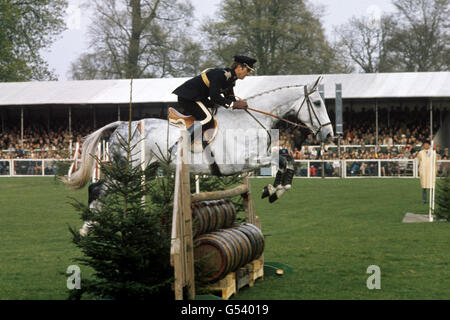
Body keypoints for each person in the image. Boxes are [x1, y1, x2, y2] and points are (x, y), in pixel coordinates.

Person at [172, 55, 257, 147]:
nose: (248, 74)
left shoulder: (231, 78)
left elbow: (229, 96)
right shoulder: (221, 75)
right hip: (188, 97)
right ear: (240, 67)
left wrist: (239, 104)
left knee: (215, 112)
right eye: (248, 70)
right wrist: (234, 104)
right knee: (206, 118)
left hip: (199, 97)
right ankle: (179, 145)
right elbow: (214, 97)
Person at [416, 140, 437, 204]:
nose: (426, 145)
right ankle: (424, 200)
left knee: (432, 185)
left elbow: (435, 162)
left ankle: (432, 199)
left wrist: (435, 170)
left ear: (429, 145)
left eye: (427, 144)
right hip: (424, 171)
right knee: (424, 186)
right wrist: (420, 170)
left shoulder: (433, 152)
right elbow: (419, 161)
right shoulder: (420, 153)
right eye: (425, 144)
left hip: (431, 171)